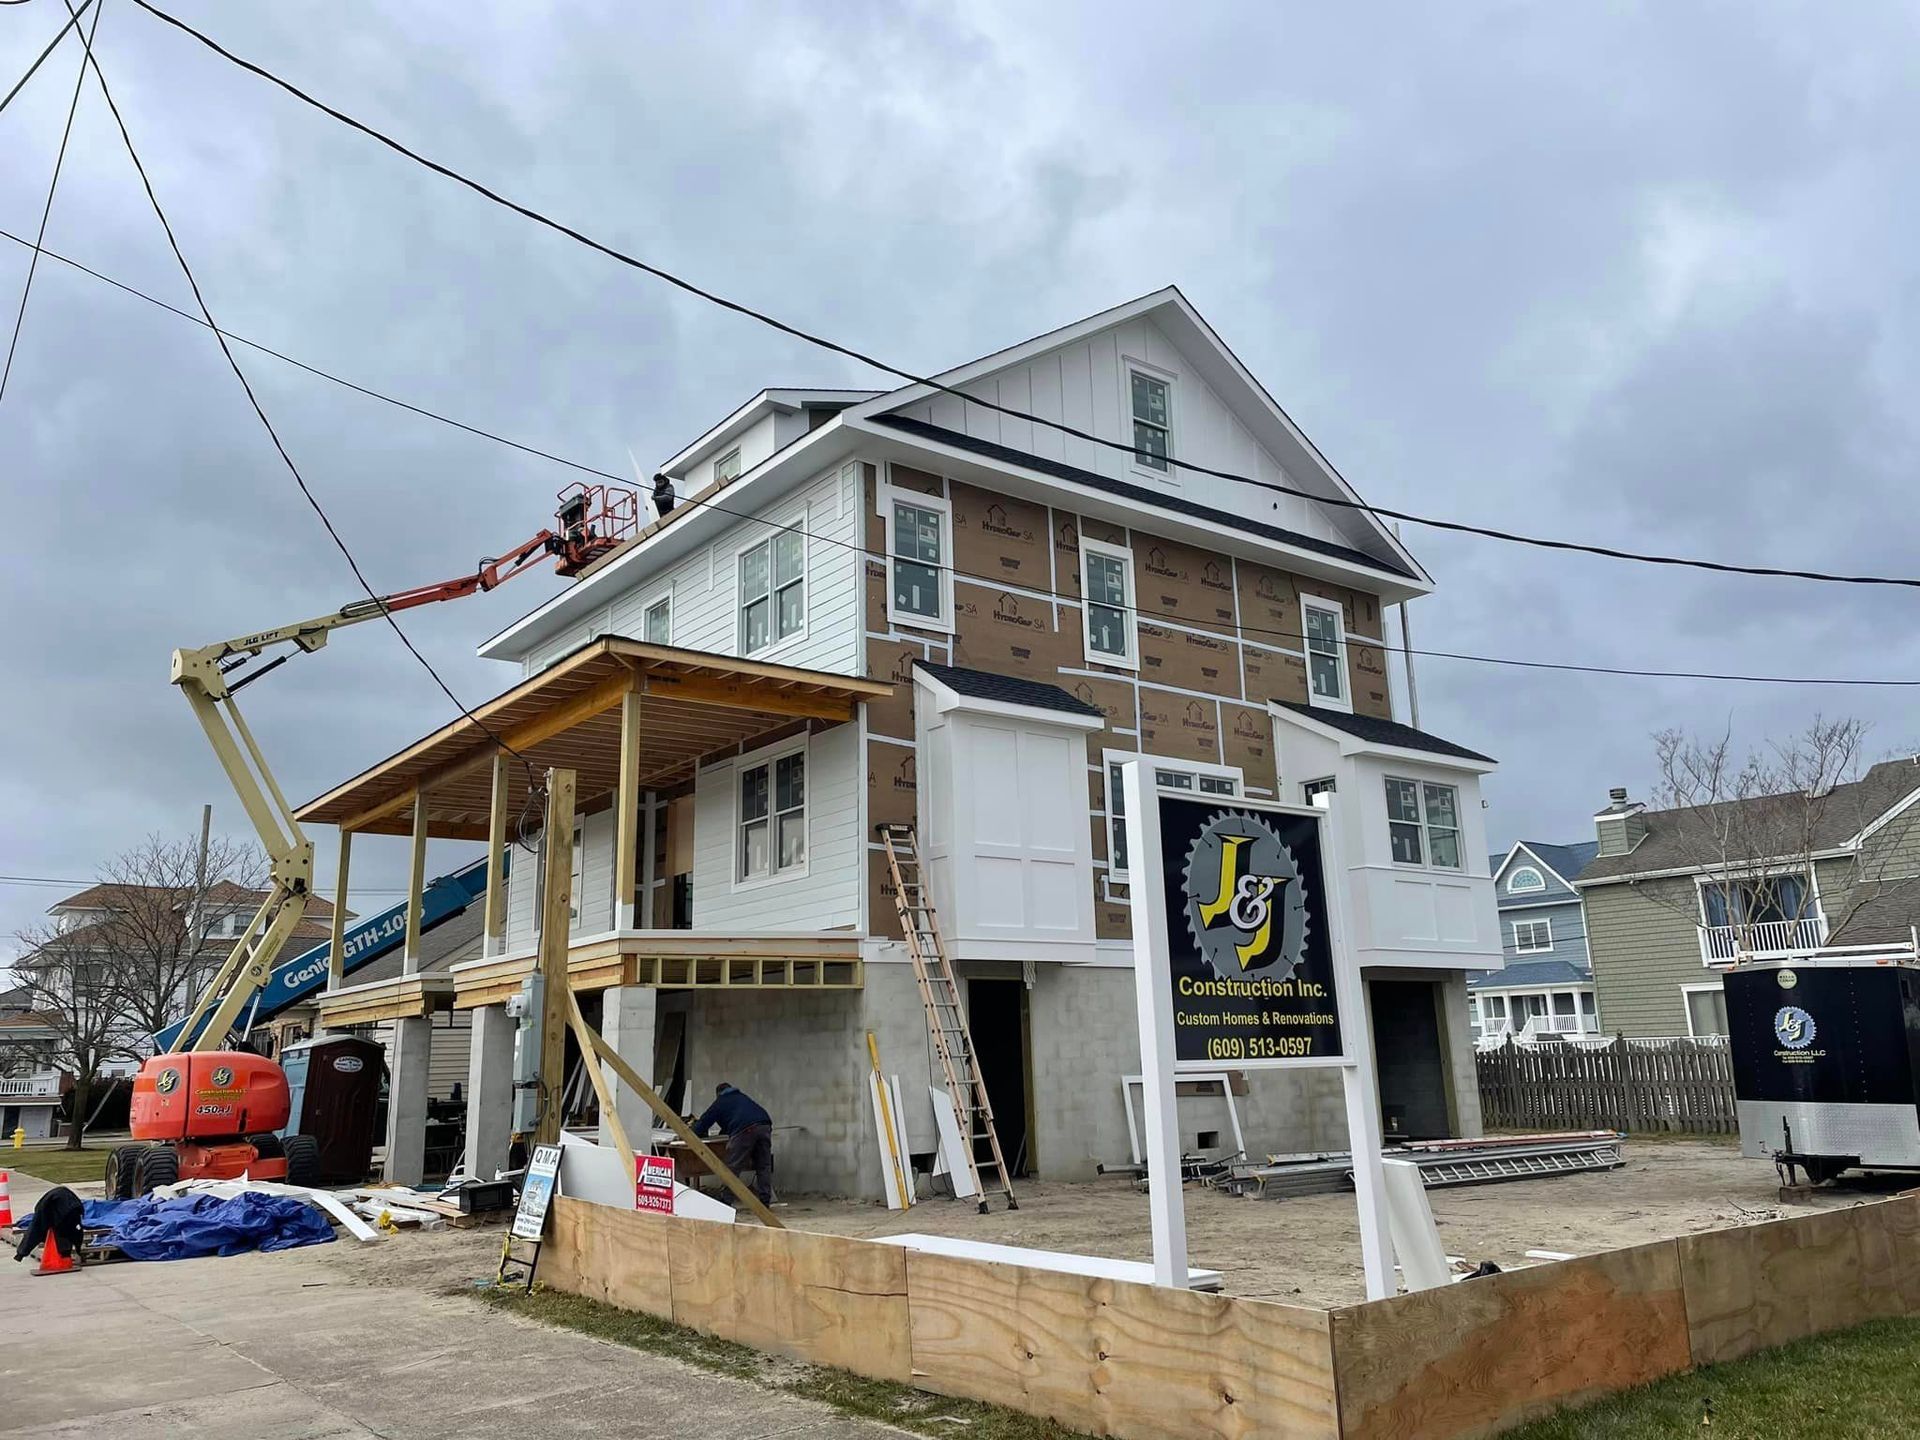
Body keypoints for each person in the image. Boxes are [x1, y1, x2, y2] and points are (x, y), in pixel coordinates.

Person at [693, 1082, 775, 1206]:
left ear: (718, 1094)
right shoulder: (742, 1098)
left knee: (733, 1167)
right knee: (763, 1165)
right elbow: (733, 1120)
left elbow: (703, 1123)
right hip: (764, 1125)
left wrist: (692, 1132)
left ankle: (726, 1200)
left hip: (745, 1130)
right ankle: (765, 1200)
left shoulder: (720, 1102)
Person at [13, 1184, 84, 1268]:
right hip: (68, 1205)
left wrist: (78, 1251)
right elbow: (33, 1233)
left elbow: (33, 1233)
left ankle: (66, 1255)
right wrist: (21, 1253)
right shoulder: (44, 1212)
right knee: (66, 1232)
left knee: (66, 1232)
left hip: (68, 1205)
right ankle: (65, 1255)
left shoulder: (67, 1213)